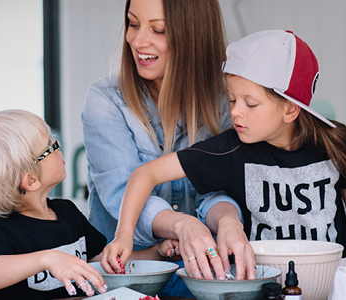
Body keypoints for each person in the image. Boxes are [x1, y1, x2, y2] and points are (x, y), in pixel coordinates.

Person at [102, 30, 346, 281]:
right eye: (232, 100)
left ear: (290, 109)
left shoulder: (333, 143)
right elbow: (145, 174)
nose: (236, 113)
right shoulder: (230, 148)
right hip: (262, 285)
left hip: (326, 284)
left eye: (251, 103)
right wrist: (124, 236)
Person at [81, 0, 242, 290]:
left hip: (203, 277)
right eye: (132, 24)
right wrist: (185, 224)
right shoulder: (105, 102)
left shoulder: (227, 101)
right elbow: (122, 195)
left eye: (157, 30)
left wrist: (230, 222)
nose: (137, 40)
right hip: (126, 281)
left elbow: (221, 185)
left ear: (194, 37)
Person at [0, 109, 178, 300]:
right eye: (51, 145)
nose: (58, 145)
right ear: (32, 180)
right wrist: (47, 258)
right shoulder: (2, 230)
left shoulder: (67, 212)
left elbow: (98, 262)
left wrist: (155, 253)